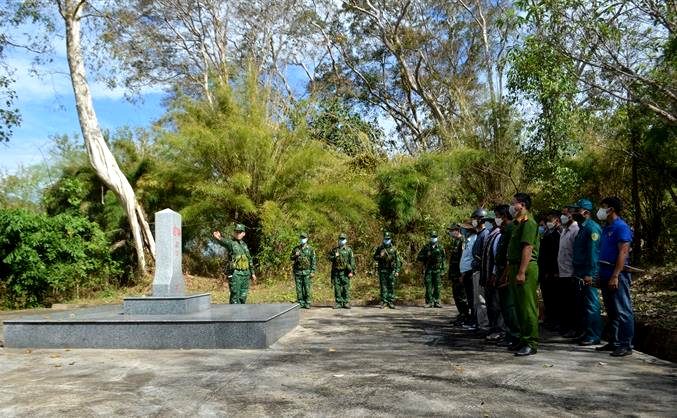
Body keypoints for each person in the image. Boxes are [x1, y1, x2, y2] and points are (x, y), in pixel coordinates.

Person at [595, 196, 635, 357]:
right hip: (604, 272)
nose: (601, 210)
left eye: (603, 207)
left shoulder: (621, 227)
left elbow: (623, 252)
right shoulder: (606, 228)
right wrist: (599, 274)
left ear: (611, 209)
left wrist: (615, 275)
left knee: (623, 310)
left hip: (617, 274)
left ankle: (626, 344)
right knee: (611, 310)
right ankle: (614, 341)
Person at [506, 193, 540, 356]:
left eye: (514, 204)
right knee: (519, 307)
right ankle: (522, 339)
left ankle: (531, 342)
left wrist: (521, 271)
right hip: (515, 266)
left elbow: (527, 248)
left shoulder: (529, 222)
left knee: (527, 306)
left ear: (522, 205)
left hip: (525, 267)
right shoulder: (517, 223)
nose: (511, 207)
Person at [571, 198, 603, 346]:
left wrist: (591, 274)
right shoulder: (583, 228)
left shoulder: (592, 228)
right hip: (578, 272)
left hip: (587, 273)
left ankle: (593, 334)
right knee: (582, 305)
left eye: (577, 210)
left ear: (586, 212)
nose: (574, 213)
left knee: (591, 304)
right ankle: (585, 332)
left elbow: (593, 254)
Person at [493, 204, 520, 348]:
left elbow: (510, 255)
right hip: (501, 269)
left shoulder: (511, 229)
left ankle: (514, 335)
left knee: (509, 306)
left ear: (503, 216)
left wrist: (505, 274)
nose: (496, 219)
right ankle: (510, 334)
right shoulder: (505, 230)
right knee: (504, 305)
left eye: (497, 215)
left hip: (506, 271)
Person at [212, 223, 256, 304]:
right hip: (236, 274)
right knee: (235, 296)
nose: (238, 233)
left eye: (240, 232)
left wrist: (252, 273)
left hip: (246, 274)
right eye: (236, 232)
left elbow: (249, 259)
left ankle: (242, 314)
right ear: (234, 233)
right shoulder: (231, 243)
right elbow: (223, 241)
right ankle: (234, 315)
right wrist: (218, 237)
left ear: (243, 234)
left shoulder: (244, 245)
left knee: (243, 296)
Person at [557, 205, 581, 338]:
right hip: (562, 272)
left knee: (573, 303)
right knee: (565, 302)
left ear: (571, 215)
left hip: (571, 272)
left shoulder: (575, 230)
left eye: (565, 214)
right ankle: (566, 326)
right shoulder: (564, 230)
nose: (563, 216)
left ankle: (574, 327)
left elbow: (575, 252)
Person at [481, 211, 505, 342]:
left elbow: (497, 258)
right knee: (491, 304)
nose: (486, 223)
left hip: (494, 276)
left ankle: (499, 330)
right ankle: (493, 327)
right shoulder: (490, 235)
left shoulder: (498, 235)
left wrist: (495, 273)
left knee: (496, 304)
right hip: (487, 276)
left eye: (489, 220)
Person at [538, 210, 562, 331]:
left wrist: (552, 271)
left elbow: (555, 255)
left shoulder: (557, 235)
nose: (547, 224)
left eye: (549, 221)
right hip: (544, 270)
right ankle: (550, 319)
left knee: (555, 297)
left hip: (552, 271)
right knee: (547, 297)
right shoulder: (547, 234)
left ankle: (557, 320)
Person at [471, 208, 490, 327]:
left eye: (474, 219)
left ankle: (484, 325)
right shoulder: (479, 234)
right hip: (476, 270)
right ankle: (480, 323)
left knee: (482, 300)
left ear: (480, 220)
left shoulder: (485, 234)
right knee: (477, 300)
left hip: (480, 270)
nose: (473, 221)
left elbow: (485, 256)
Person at [447, 223, 469, 325]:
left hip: (459, 274)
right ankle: (461, 314)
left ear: (457, 230)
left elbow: (463, 259)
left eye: (452, 230)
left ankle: (465, 316)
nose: (451, 232)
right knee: (456, 295)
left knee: (461, 296)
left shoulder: (462, 241)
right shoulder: (455, 242)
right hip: (454, 274)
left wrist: (462, 274)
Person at [417, 231, 446, 308]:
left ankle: (436, 301)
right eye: (432, 237)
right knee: (428, 286)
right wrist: (426, 255)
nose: (434, 238)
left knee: (437, 286)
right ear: (430, 238)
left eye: (435, 237)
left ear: (437, 237)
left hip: (437, 270)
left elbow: (443, 260)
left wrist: (443, 270)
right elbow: (419, 257)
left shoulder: (440, 247)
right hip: (429, 270)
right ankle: (429, 302)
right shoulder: (426, 247)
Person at [373, 231, 402, 309]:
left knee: (391, 286)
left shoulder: (394, 249)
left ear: (390, 239)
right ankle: (383, 302)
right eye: (386, 239)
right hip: (382, 270)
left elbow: (398, 260)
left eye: (388, 239)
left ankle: (390, 302)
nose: (387, 240)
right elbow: (375, 257)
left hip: (391, 271)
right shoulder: (380, 248)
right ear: (383, 239)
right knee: (383, 287)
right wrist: (380, 256)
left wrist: (397, 270)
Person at [327, 233, 356, 309]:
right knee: (337, 288)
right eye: (340, 239)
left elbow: (352, 261)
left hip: (345, 272)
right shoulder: (335, 250)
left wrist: (351, 272)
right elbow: (328, 257)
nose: (342, 240)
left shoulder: (349, 250)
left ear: (346, 240)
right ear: (338, 240)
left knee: (345, 288)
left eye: (343, 239)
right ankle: (338, 302)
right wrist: (334, 256)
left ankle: (346, 302)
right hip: (336, 272)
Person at [290, 232, 317, 309]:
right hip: (298, 272)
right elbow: (291, 258)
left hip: (307, 272)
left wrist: (313, 271)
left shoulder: (310, 249)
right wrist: (295, 255)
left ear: (307, 239)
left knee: (307, 287)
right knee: (299, 288)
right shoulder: (296, 249)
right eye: (301, 238)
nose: (302, 239)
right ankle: (300, 302)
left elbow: (313, 261)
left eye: (304, 238)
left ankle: (307, 302)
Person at [459, 225, 478, 329]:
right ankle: (472, 319)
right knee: (470, 298)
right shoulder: (468, 240)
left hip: (470, 272)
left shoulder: (474, 239)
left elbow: (472, 257)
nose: (462, 230)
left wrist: (467, 272)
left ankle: (474, 320)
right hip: (466, 272)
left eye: (464, 229)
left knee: (472, 298)